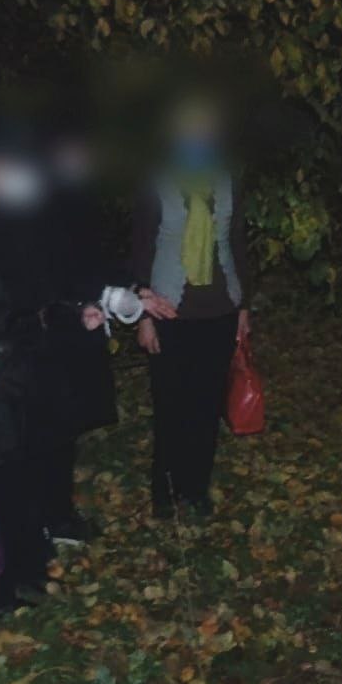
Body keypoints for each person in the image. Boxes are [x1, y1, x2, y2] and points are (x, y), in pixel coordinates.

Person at [0, 113, 174, 616]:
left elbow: (50, 273)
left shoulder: (16, 214)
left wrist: (89, 302)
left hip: (22, 357)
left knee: (23, 467)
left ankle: (26, 567)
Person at [133, 95, 252, 521]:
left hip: (219, 308)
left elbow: (236, 241)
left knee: (206, 405)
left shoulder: (227, 177)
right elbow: (141, 245)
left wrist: (244, 305)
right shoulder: (155, 179)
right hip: (168, 309)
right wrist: (143, 313)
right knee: (171, 404)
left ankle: (196, 488)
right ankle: (166, 489)